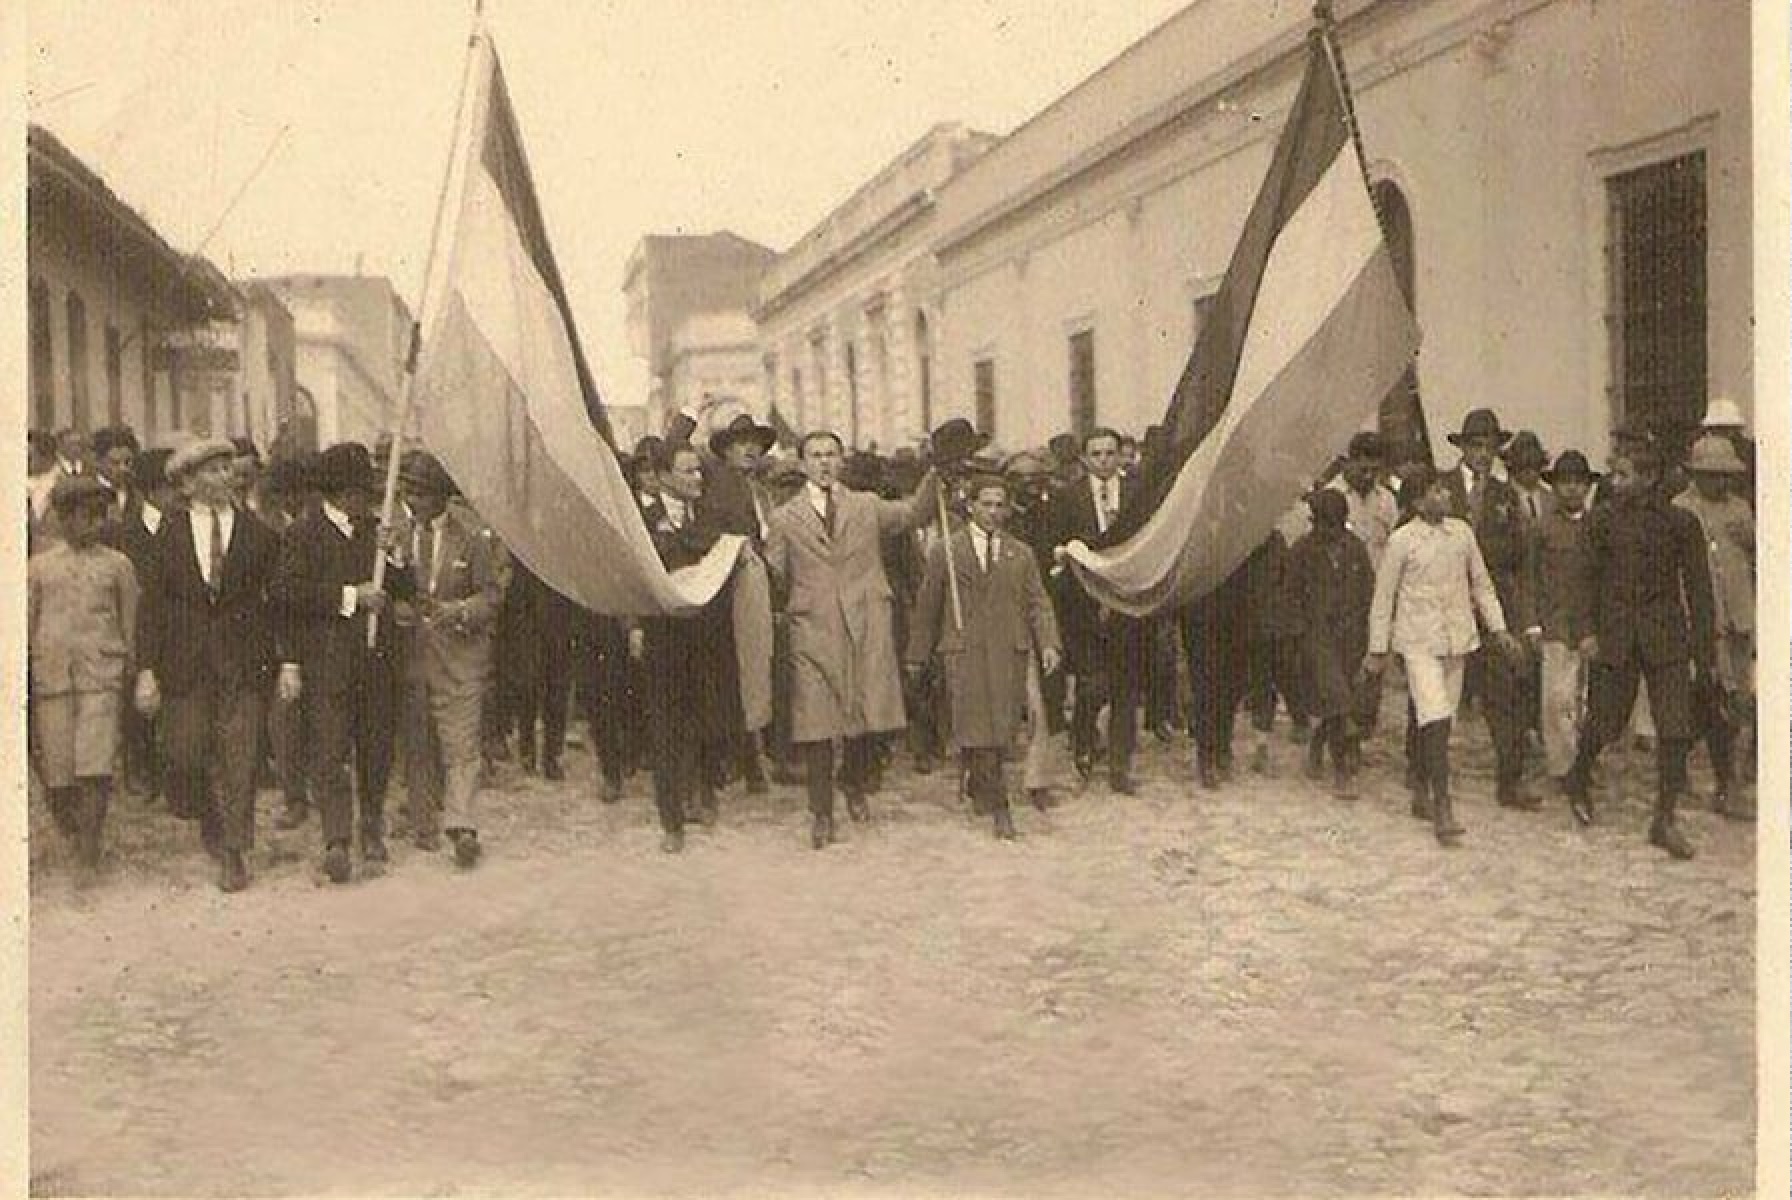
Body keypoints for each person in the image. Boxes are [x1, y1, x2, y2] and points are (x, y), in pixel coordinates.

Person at [764, 425, 947, 850]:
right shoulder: (784, 519)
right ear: (803, 463)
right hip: (812, 628)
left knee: (867, 718)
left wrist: (938, 471)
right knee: (816, 723)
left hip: (866, 622)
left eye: (831, 454)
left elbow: (914, 514)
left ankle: (854, 782)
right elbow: (773, 572)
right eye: (816, 455)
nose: (824, 463)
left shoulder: (866, 507)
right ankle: (822, 812)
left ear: (841, 461)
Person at [133, 437, 283, 892]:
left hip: (243, 662)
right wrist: (146, 670)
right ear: (190, 482)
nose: (227, 477)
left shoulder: (259, 534)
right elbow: (152, 607)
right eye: (215, 471)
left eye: (228, 469)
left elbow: (275, 604)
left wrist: (284, 661)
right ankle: (212, 821)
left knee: (240, 758)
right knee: (186, 754)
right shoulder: (169, 535)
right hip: (185, 665)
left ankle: (234, 852)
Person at [1560, 446, 1717, 859]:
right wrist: (1587, 633)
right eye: (1615, 474)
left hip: (1666, 639)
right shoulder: (1601, 522)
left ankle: (1664, 818)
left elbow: (1700, 593)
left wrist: (1705, 654)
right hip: (1615, 638)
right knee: (1606, 723)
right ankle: (1578, 776)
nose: (1614, 482)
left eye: (1624, 474)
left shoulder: (1682, 524)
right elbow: (1582, 582)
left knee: (1675, 729)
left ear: (1649, 478)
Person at [270, 441, 408, 884]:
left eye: (366, 491)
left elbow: (405, 588)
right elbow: (288, 593)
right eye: (355, 491)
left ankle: (371, 826)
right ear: (333, 492)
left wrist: (396, 556)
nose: (363, 499)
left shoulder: (377, 530)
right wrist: (351, 597)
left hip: (375, 660)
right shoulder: (303, 533)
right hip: (326, 662)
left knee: (375, 749)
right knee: (329, 752)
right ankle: (336, 839)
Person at [906, 470, 1065, 839]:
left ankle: (980, 783)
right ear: (971, 506)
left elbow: (1038, 602)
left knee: (1001, 727)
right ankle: (1001, 807)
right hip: (964, 650)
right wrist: (917, 654)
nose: (993, 512)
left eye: (1000, 505)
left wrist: (1049, 642)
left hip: (1008, 649)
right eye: (986, 504)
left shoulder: (1020, 553)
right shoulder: (946, 551)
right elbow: (928, 608)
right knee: (978, 725)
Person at [1367, 466, 1521, 845]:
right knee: (1434, 714)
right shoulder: (1402, 541)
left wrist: (1498, 629)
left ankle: (1421, 782)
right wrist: (1377, 648)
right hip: (1418, 641)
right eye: (1436, 491)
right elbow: (1383, 597)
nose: (1445, 496)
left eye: (1443, 490)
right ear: (1418, 501)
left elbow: (1481, 583)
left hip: (1458, 640)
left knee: (1438, 718)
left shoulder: (1462, 534)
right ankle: (1442, 803)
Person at [393, 451, 506, 864]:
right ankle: (424, 819)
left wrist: (458, 611)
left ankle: (462, 825)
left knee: (461, 743)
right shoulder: (396, 536)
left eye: (420, 494)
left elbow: (491, 595)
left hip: (460, 656)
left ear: (440, 496)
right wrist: (395, 609)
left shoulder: (472, 537)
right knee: (418, 741)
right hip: (411, 657)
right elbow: (385, 590)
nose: (413, 502)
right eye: (407, 492)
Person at [633, 440, 744, 853]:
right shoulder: (642, 520)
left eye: (699, 471)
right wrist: (635, 627)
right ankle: (671, 819)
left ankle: (701, 790)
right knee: (665, 722)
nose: (697, 478)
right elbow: (632, 578)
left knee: (705, 713)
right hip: (663, 635)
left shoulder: (714, 516)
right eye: (687, 472)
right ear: (663, 477)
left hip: (707, 633)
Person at [28, 475, 139, 878]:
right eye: (83, 517)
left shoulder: (118, 565)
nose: (92, 525)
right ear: (62, 519)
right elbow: (25, 624)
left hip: (100, 678)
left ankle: (89, 854)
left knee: (94, 767)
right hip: (53, 680)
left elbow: (130, 623)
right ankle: (73, 829)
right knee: (59, 772)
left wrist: (128, 670)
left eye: (98, 517)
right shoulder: (38, 569)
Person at [1441, 408, 1542, 812]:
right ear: (1462, 448)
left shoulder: (1505, 497)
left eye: (1491, 447)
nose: (1484, 454)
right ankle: (1424, 775)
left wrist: (1521, 621)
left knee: (1506, 695)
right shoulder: (1441, 488)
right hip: (1445, 604)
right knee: (1436, 692)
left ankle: (1509, 781)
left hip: (1492, 606)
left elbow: (1520, 560)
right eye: (1476, 446)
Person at [1048, 427, 1147, 794]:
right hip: (1082, 606)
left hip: (1128, 605)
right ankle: (1084, 740)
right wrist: (1064, 555)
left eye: (1110, 453)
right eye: (1097, 454)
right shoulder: (1066, 498)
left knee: (1126, 686)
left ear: (1121, 455)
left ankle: (1121, 766)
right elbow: (1053, 544)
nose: (1104, 461)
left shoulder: (1138, 495)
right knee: (1091, 682)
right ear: (1085, 459)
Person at [1674, 434, 1755, 819]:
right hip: (1704, 621)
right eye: (1712, 475)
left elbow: (1761, 559)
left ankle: (1676, 765)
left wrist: (1753, 541)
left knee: (1736, 700)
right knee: (1717, 700)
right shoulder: (1681, 509)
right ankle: (1727, 787)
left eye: (1725, 476)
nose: (1720, 483)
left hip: (1739, 617)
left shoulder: (1740, 510)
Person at [1284, 488, 1375, 797]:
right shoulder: (1301, 551)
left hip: (1351, 639)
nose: (1330, 534)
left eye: (1335, 527)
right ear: (1314, 523)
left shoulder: (1356, 550)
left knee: (1339, 701)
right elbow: (1291, 596)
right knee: (1337, 699)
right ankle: (1341, 773)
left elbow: (1368, 592)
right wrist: (1299, 636)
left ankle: (1318, 742)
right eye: (1324, 527)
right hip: (1316, 637)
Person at [1531, 450, 1597, 791]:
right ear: (1554, 487)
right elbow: (1531, 577)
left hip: (1592, 627)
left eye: (1578, 483)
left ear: (1587, 487)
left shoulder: (1598, 526)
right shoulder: (1543, 527)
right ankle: (1563, 767)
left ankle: (1584, 761)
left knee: (1586, 700)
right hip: (1556, 622)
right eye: (1565, 483)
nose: (1572, 489)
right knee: (1557, 699)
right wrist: (1534, 621)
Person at [1328, 431, 1400, 572]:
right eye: (1363, 470)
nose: (1369, 476)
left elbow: (1394, 545)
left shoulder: (1387, 499)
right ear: (1349, 463)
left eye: (1375, 470)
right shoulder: (1330, 497)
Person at [1502, 432, 1553, 525]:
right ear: (1510, 462)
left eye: (1534, 462)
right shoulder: (1499, 497)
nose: (1528, 470)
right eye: (1521, 462)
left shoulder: (1552, 500)